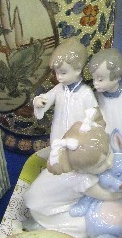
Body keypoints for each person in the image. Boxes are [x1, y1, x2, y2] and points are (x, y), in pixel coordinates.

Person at [32, 37, 97, 168]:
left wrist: (88, 123)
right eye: (56, 73)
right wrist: (38, 101)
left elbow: (94, 112)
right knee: (58, 151)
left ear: (78, 70)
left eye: (63, 72)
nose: (59, 77)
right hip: (60, 128)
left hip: (78, 133)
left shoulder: (85, 93)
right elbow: (47, 97)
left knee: (77, 154)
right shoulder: (58, 89)